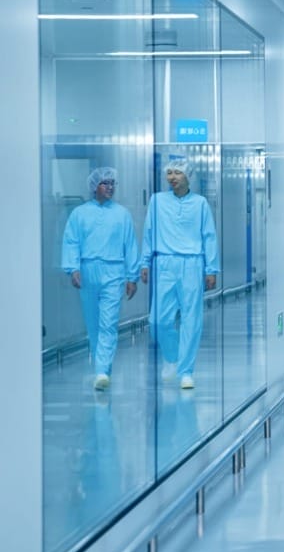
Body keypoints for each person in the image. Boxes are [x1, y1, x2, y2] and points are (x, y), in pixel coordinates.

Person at [140, 159, 219, 389]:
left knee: (191, 320)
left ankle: (186, 371)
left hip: (193, 264)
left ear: (188, 176)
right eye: (169, 173)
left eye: (177, 173)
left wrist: (211, 268)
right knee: (157, 321)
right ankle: (172, 358)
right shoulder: (157, 201)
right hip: (164, 263)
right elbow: (149, 232)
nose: (172, 177)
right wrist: (144, 263)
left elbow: (209, 236)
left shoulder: (200, 203)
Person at [61, 167, 139, 391]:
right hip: (87, 271)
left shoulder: (122, 214)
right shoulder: (79, 214)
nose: (110, 187)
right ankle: (102, 368)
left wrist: (131, 276)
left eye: (113, 183)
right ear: (95, 186)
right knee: (93, 324)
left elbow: (130, 245)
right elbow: (71, 242)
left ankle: (102, 371)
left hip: (113, 273)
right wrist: (72, 268)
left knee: (109, 322)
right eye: (105, 183)